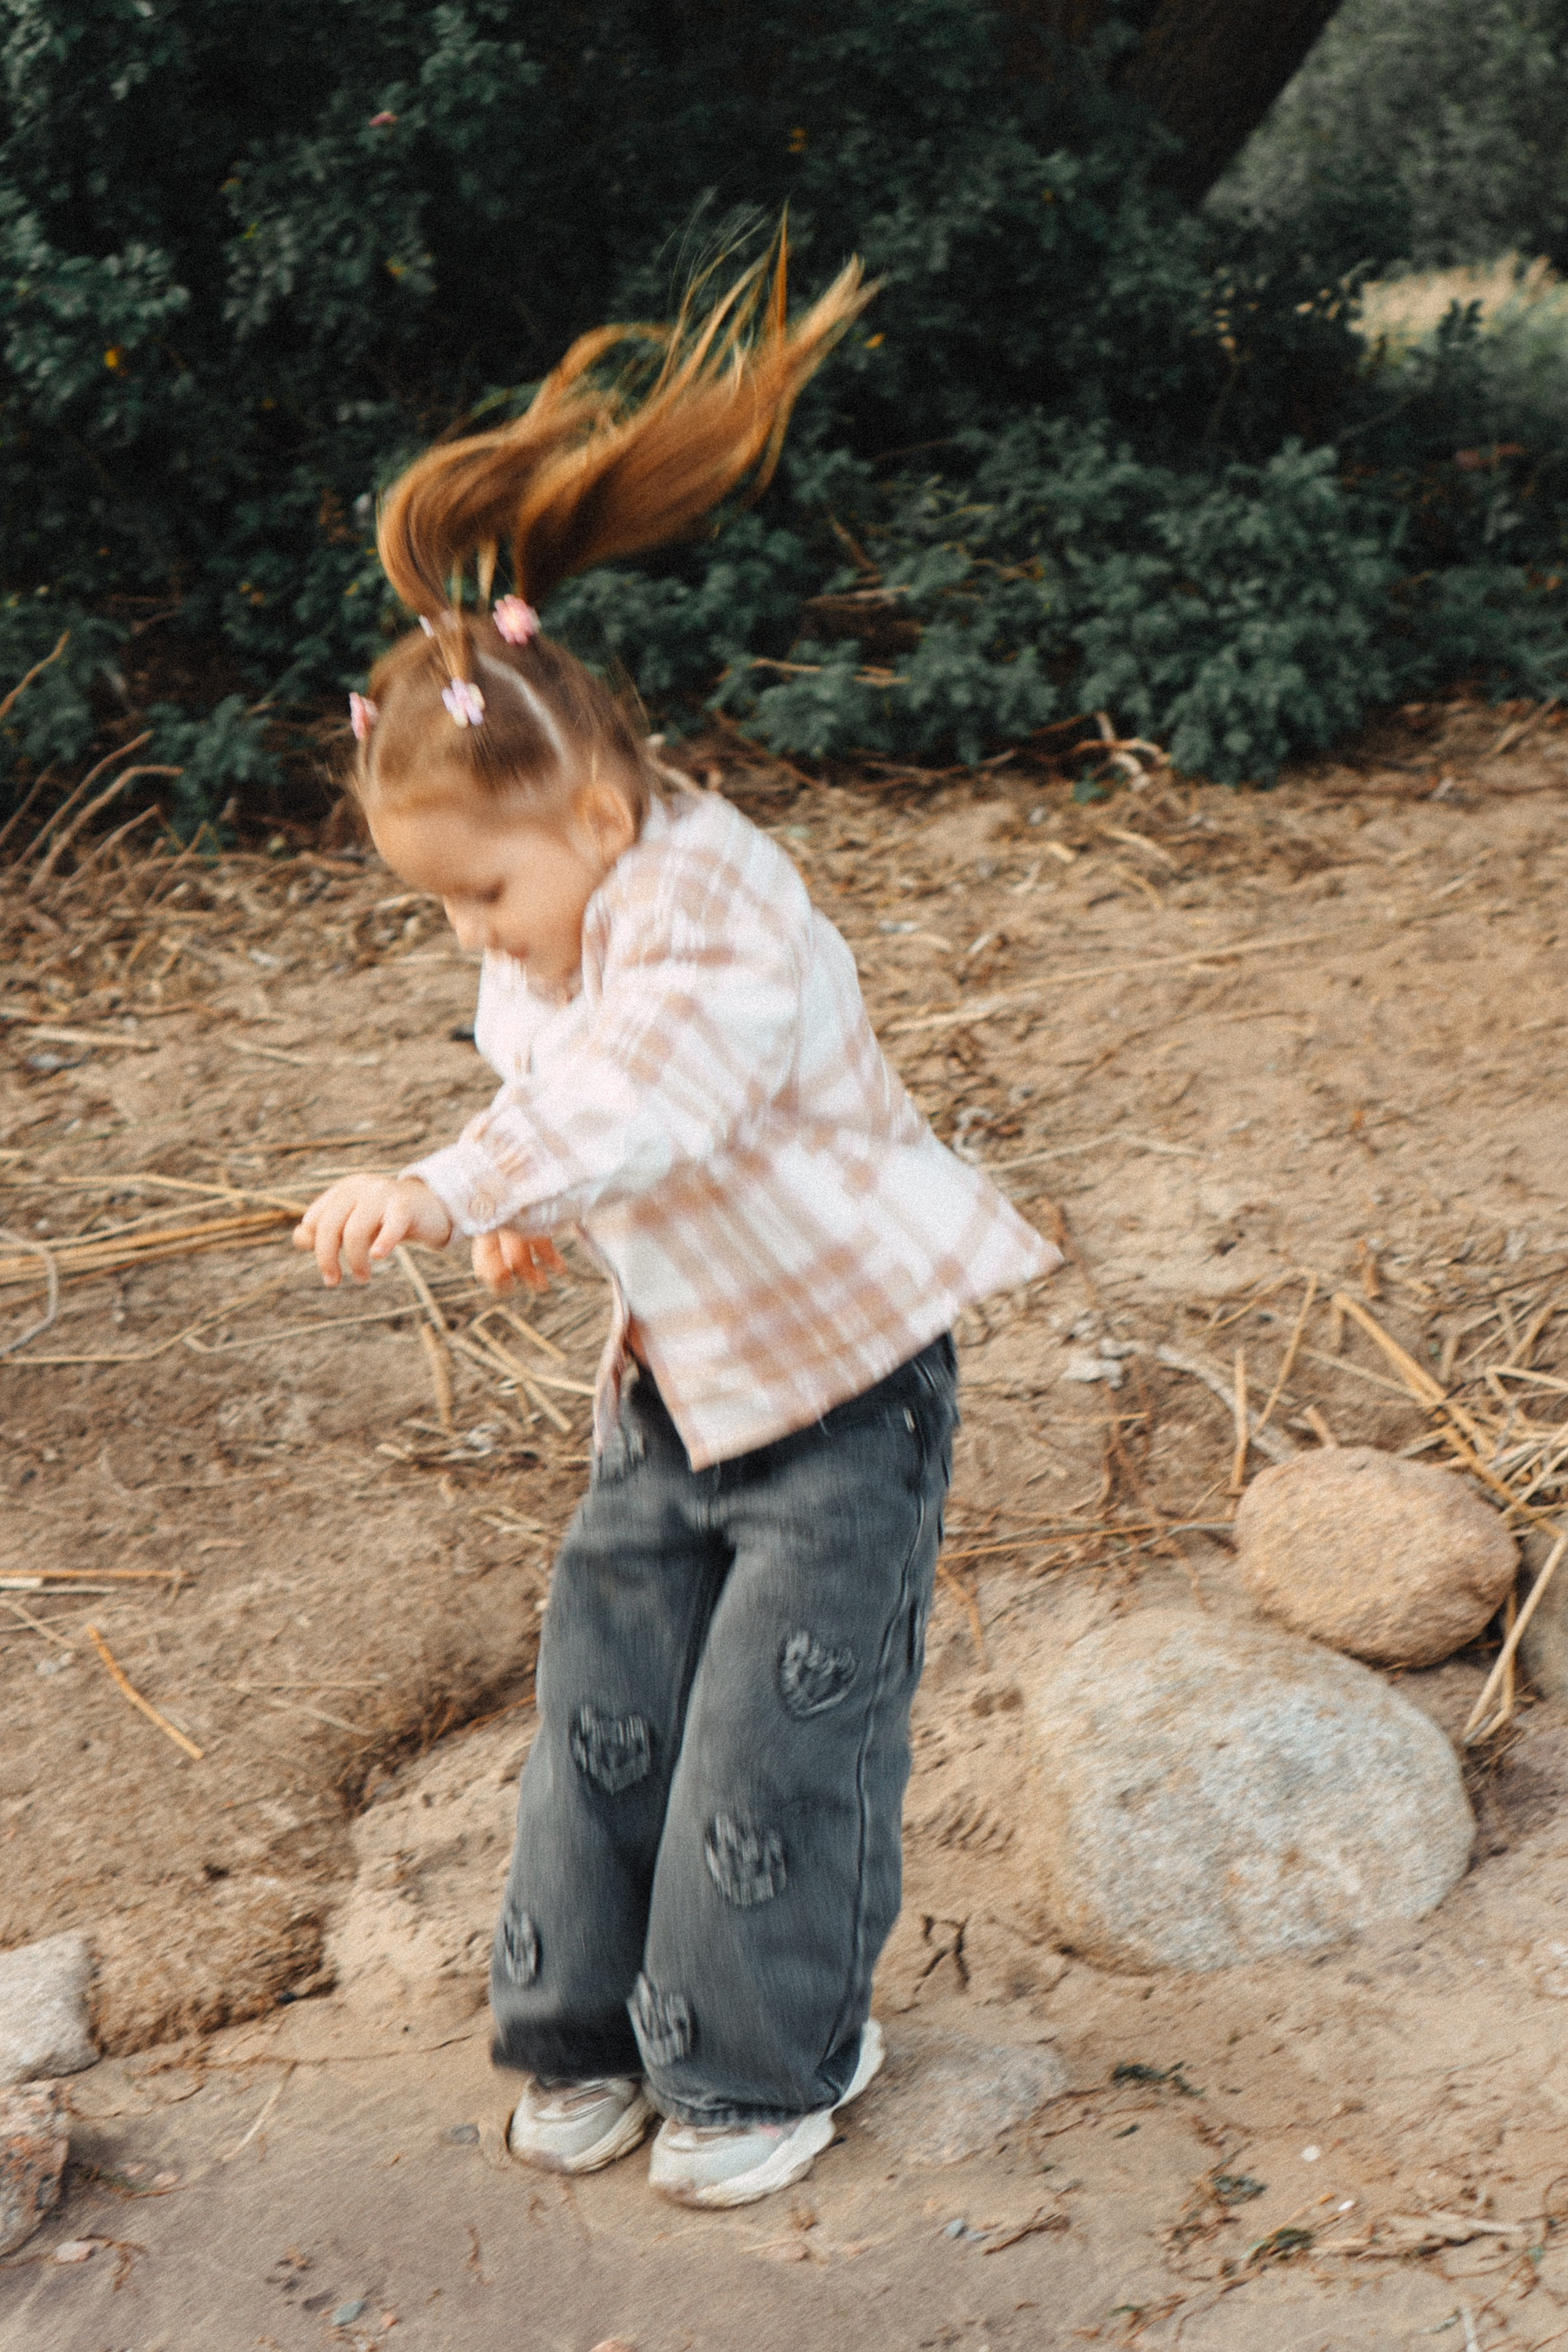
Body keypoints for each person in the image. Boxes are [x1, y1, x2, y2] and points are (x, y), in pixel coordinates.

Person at [294, 241, 1059, 2209]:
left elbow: (646, 1098)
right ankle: (574, 2042)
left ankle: (754, 2065)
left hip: (842, 1389)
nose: (475, 941)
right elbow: (559, 1092)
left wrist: (453, 1184)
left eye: (482, 900)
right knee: (611, 1702)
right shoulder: (557, 915)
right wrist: (533, 1215)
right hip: (677, 1376)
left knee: (775, 1735)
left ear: (594, 820)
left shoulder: (719, 907)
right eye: (446, 908)